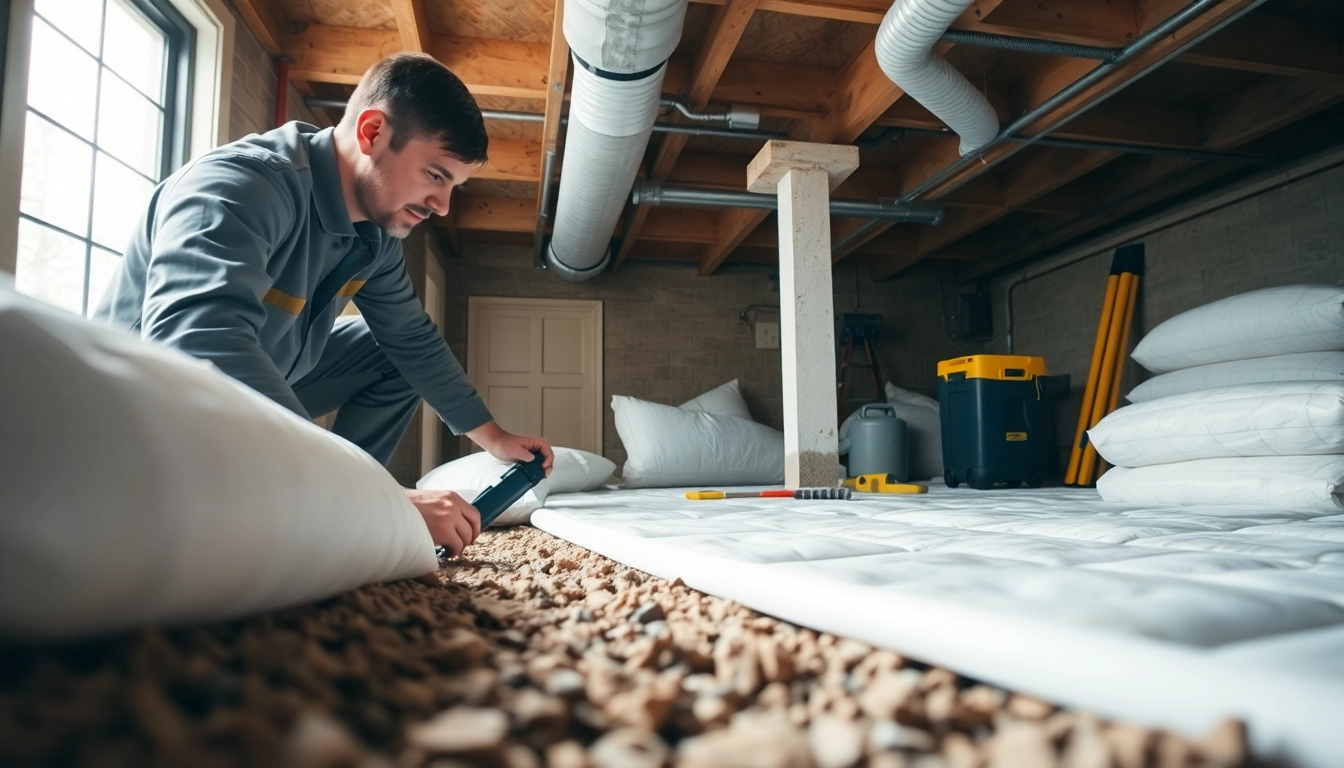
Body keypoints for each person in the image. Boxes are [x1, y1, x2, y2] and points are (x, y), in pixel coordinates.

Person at [94, 53, 552, 557]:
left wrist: (493, 436)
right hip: (150, 410)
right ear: (372, 132)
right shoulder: (240, 184)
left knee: (388, 353)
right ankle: (343, 497)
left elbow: (410, 339)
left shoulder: (374, 239)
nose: (442, 206)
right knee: (346, 481)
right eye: (436, 175)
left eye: (454, 187)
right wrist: (371, 494)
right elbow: (198, 338)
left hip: (253, 392)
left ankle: (331, 510)